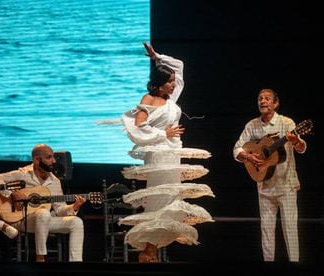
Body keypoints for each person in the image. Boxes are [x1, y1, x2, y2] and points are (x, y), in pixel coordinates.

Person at [118, 42, 215, 262]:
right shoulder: (149, 100)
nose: (173, 84)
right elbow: (138, 125)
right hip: (159, 154)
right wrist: (164, 133)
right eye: (169, 81)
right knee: (161, 200)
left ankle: (150, 251)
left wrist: (157, 57)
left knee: (172, 201)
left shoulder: (171, 98)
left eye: (172, 81)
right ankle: (149, 250)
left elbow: (179, 66)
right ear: (160, 85)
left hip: (172, 153)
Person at [232, 88, 307, 262]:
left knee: (290, 229)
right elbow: (237, 148)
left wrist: (296, 140)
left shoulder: (287, 123)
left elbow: (302, 148)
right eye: (260, 98)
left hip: (286, 184)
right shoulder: (252, 125)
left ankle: (294, 266)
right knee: (266, 230)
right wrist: (249, 156)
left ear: (275, 103)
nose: (263, 101)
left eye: (267, 98)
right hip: (264, 186)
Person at [0, 144, 86, 262]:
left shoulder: (54, 181)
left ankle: (76, 263)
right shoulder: (23, 174)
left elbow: (59, 210)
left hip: (44, 220)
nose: (53, 161)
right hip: (20, 220)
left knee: (76, 222)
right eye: (49, 157)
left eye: (53, 157)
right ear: (37, 160)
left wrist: (73, 207)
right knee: (43, 213)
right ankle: (40, 258)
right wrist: (12, 193)